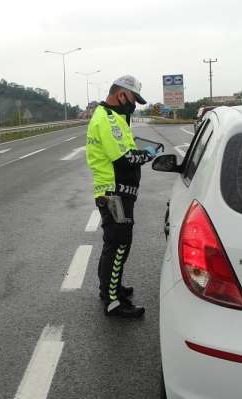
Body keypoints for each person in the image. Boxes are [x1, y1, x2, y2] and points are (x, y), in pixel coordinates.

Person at [85, 75, 158, 318]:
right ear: (121, 95)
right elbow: (125, 159)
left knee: (114, 244)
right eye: (133, 99)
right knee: (118, 245)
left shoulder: (114, 117)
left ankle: (111, 288)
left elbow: (124, 150)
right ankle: (112, 302)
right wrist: (149, 154)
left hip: (116, 192)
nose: (134, 105)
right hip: (114, 193)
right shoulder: (109, 120)